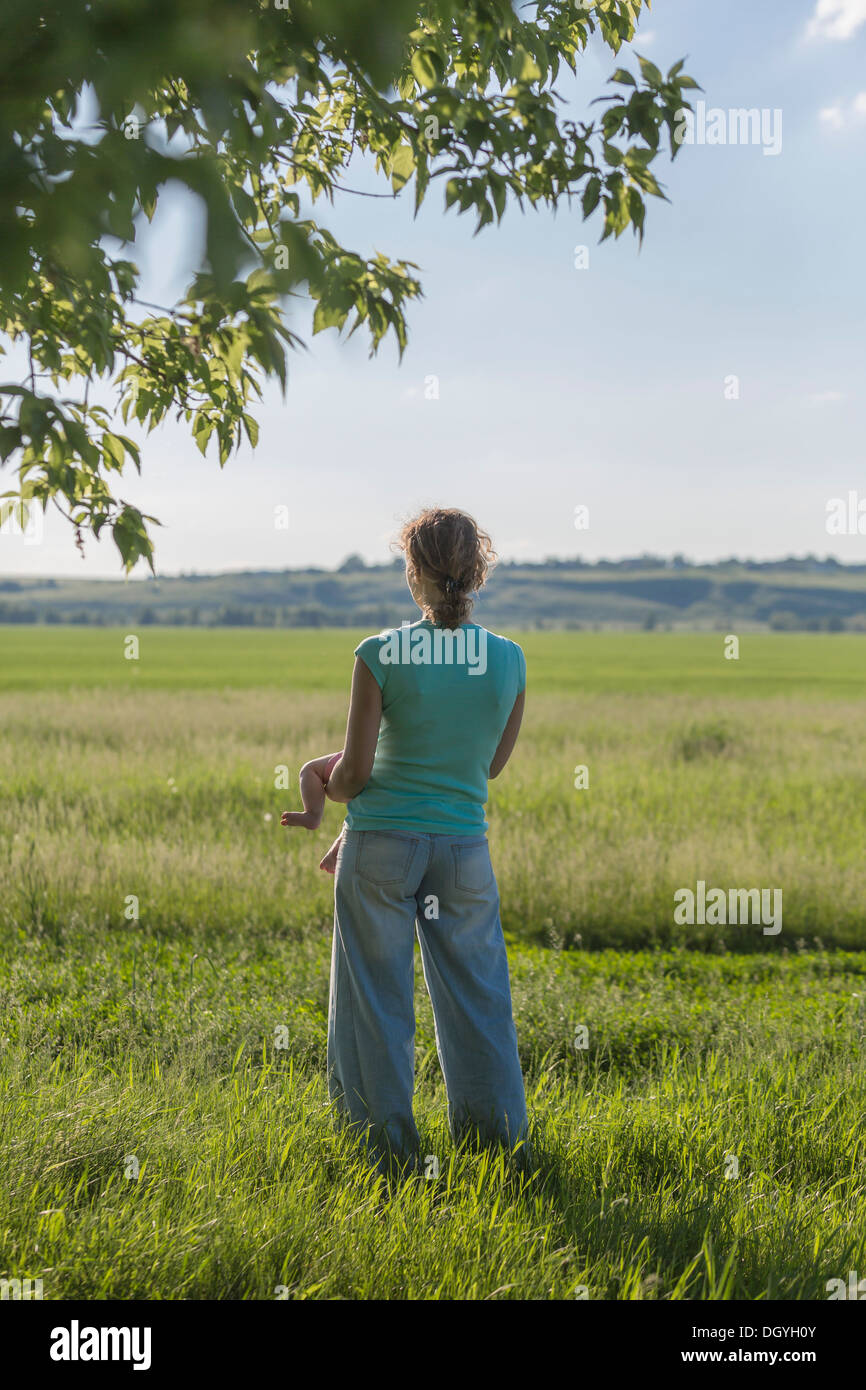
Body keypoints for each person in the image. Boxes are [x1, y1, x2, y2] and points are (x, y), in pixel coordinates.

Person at [282, 506, 529, 1176]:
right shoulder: (509, 658)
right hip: (464, 852)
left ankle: (385, 1155)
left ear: (412, 570)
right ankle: (497, 1148)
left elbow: (357, 774)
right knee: (479, 1003)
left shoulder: (379, 653)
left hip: (380, 850)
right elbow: (487, 767)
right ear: (477, 570)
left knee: (375, 1003)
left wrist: (324, 786)